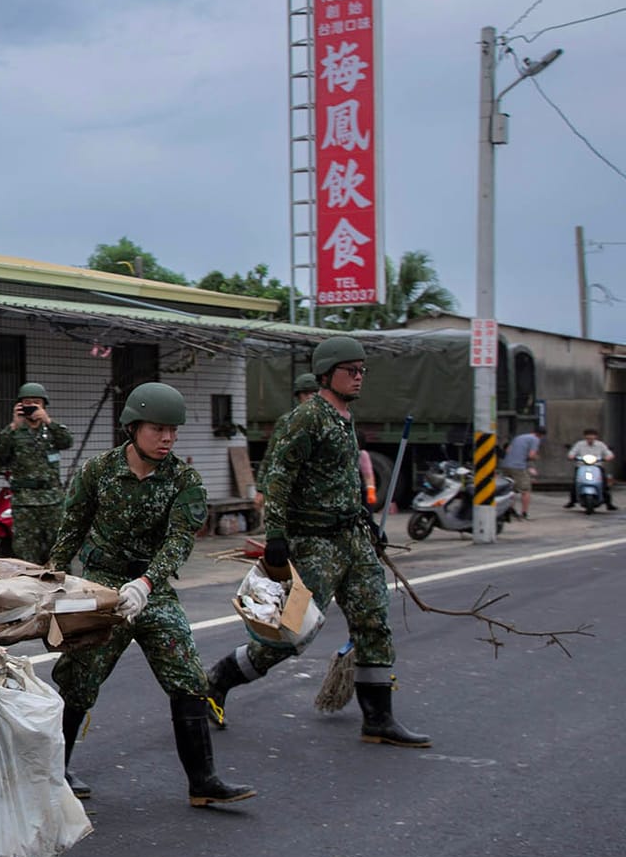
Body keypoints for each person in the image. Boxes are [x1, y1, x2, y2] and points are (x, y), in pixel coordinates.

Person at [206, 337, 430, 747]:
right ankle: (217, 680)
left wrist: (365, 518)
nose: (359, 377)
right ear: (327, 374)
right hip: (315, 544)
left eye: (362, 370)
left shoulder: (345, 418)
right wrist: (274, 534)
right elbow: (279, 478)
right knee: (288, 634)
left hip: (352, 541)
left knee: (373, 622)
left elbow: (339, 479)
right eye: (351, 370)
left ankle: (378, 719)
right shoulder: (306, 418)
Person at [48, 383, 254, 807]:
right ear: (133, 428)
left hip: (151, 589)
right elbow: (73, 525)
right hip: (102, 587)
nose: (167, 439)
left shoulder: (184, 479)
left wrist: (146, 584)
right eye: (158, 429)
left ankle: (204, 781)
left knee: (187, 676)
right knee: (78, 680)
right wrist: (53, 578)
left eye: (173, 431)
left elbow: (179, 540)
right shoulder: (99, 471)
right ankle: (54, 772)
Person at [0, 382, 74, 564]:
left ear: (44, 405)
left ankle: (61, 589)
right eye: (27, 403)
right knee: (26, 555)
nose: (31, 407)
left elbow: (67, 441)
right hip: (24, 503)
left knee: (58, 552)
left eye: (36, 403)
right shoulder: (14, 432)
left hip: (52, 501)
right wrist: (14, 425)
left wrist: (48, 421)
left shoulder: (52, 430)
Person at [253, 373, 320, 513]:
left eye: (314, 392)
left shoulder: (329, 421)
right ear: (298, 396)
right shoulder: (288, 421)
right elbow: (272, 455)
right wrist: (261, 489)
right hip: (294, 489)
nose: (310, 397)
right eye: (305, 393)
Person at [563, 428, 615, 510]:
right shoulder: (579, 444)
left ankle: (608, 503)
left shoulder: (600, 445)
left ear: (596, 437)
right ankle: (572, 501)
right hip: (582, 466)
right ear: (585, 437)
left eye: (592, 438)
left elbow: (609, 453)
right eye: (588, 438)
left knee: (604, 484)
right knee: (575, 484)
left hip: (597, 466)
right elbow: (572, 452)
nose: (590, 440)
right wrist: (571, 456)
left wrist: (608, 457)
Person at [504, 426, 542, 519]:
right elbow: (531, 455)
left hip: (506, 465)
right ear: (541, 435)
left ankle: (510, 510)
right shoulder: (535, 439)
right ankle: (524, 513)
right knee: (525, 490)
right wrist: (536, 457)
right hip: (518, 467)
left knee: (510, 489)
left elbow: (508, 450)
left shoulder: (519, 437)